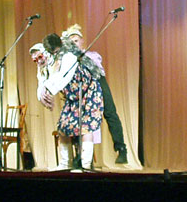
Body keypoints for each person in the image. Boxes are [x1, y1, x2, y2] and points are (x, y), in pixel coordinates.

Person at [62, 24, 128, 164]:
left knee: (110, 112)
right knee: (79, 118)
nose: (74, 44)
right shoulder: (68, 60)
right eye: (71, 42)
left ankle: (121, 148)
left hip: (97, 81)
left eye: (76, 41)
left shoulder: (91, 56)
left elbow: (94, 69)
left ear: (82, 41)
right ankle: (80, 156)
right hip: (82, 87)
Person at [40, 33, 104, 170]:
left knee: (86, 127)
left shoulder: (68, 55)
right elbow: (44, 77)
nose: (55, 54)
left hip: (88, 93)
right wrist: (43, 91)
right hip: (73, 96)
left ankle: (85, 166)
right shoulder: (49, 58)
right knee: (63, 127)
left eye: (56, 51)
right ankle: (65, 164)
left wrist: (50, 90)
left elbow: (64, 77)